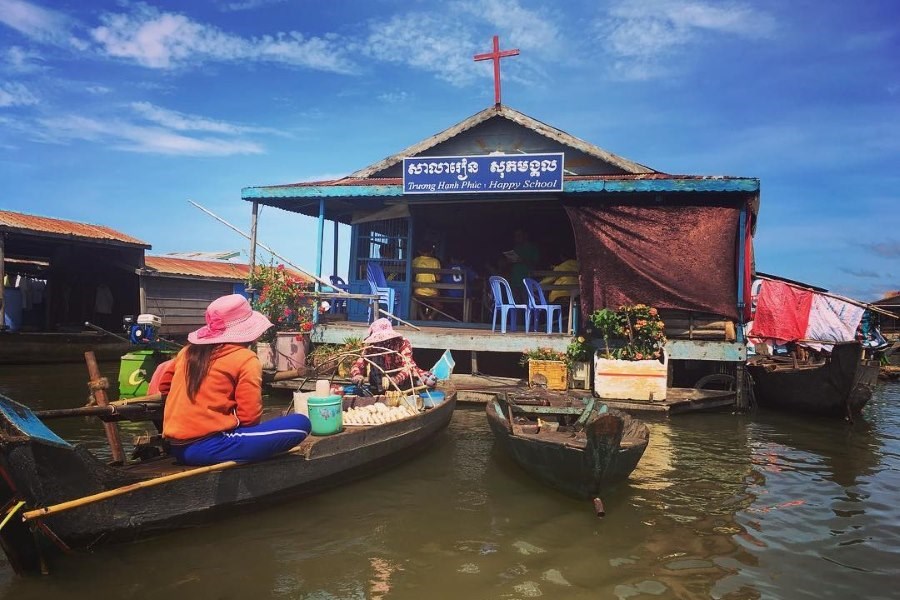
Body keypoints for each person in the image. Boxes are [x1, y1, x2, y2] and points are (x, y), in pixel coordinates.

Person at [157, 294, 311, 466]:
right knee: (300, 423)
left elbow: (163, 386)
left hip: (177, 447)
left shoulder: (187, 352)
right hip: (211, 446)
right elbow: (249, 417)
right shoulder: (245, 358)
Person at [350, 318, 437, 392]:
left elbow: (408, 367)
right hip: (380, 379)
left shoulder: (402, 343)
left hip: (402, 378)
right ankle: (379, 389)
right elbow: (359, 364)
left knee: (430, 380)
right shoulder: (371, 346)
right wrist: (357, 375)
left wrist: (395, 379)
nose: (383, 342)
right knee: (375, 360)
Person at [411, 244, 442, 319]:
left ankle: (422, 317)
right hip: (432, 292)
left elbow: (412, 275)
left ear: (419, 251)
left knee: (416, 303)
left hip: (418, 291)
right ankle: (430, 317)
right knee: (438, 305)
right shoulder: (435, 261)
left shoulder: (415, 260)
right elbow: (438, 278)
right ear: (432, 251)